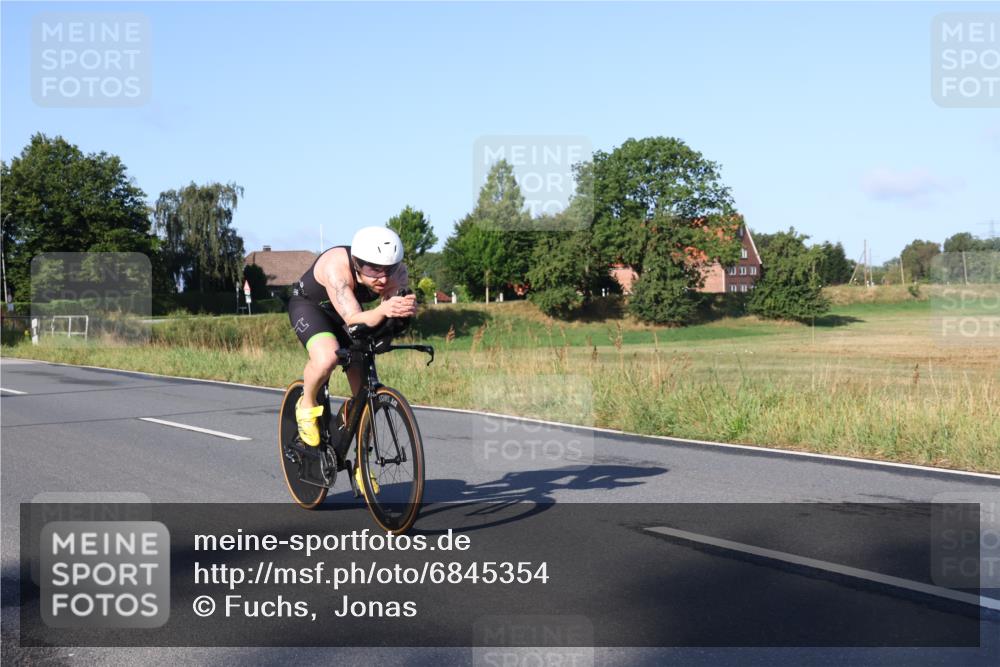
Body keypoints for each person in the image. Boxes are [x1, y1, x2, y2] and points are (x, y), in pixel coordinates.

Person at [287, 226, 417, 450]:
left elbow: (390, 316)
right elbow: (354, 319)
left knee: (365, 398)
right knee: (327, 358)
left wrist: (403, 311)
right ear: (357, 263)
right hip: (312, 308)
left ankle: (361, 461)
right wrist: (383, 310)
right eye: (373, 270)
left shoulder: (398, 273)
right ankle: (306, 404)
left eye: (389, 269)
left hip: (350, 313)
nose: (383, 278)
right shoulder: (336, 268)